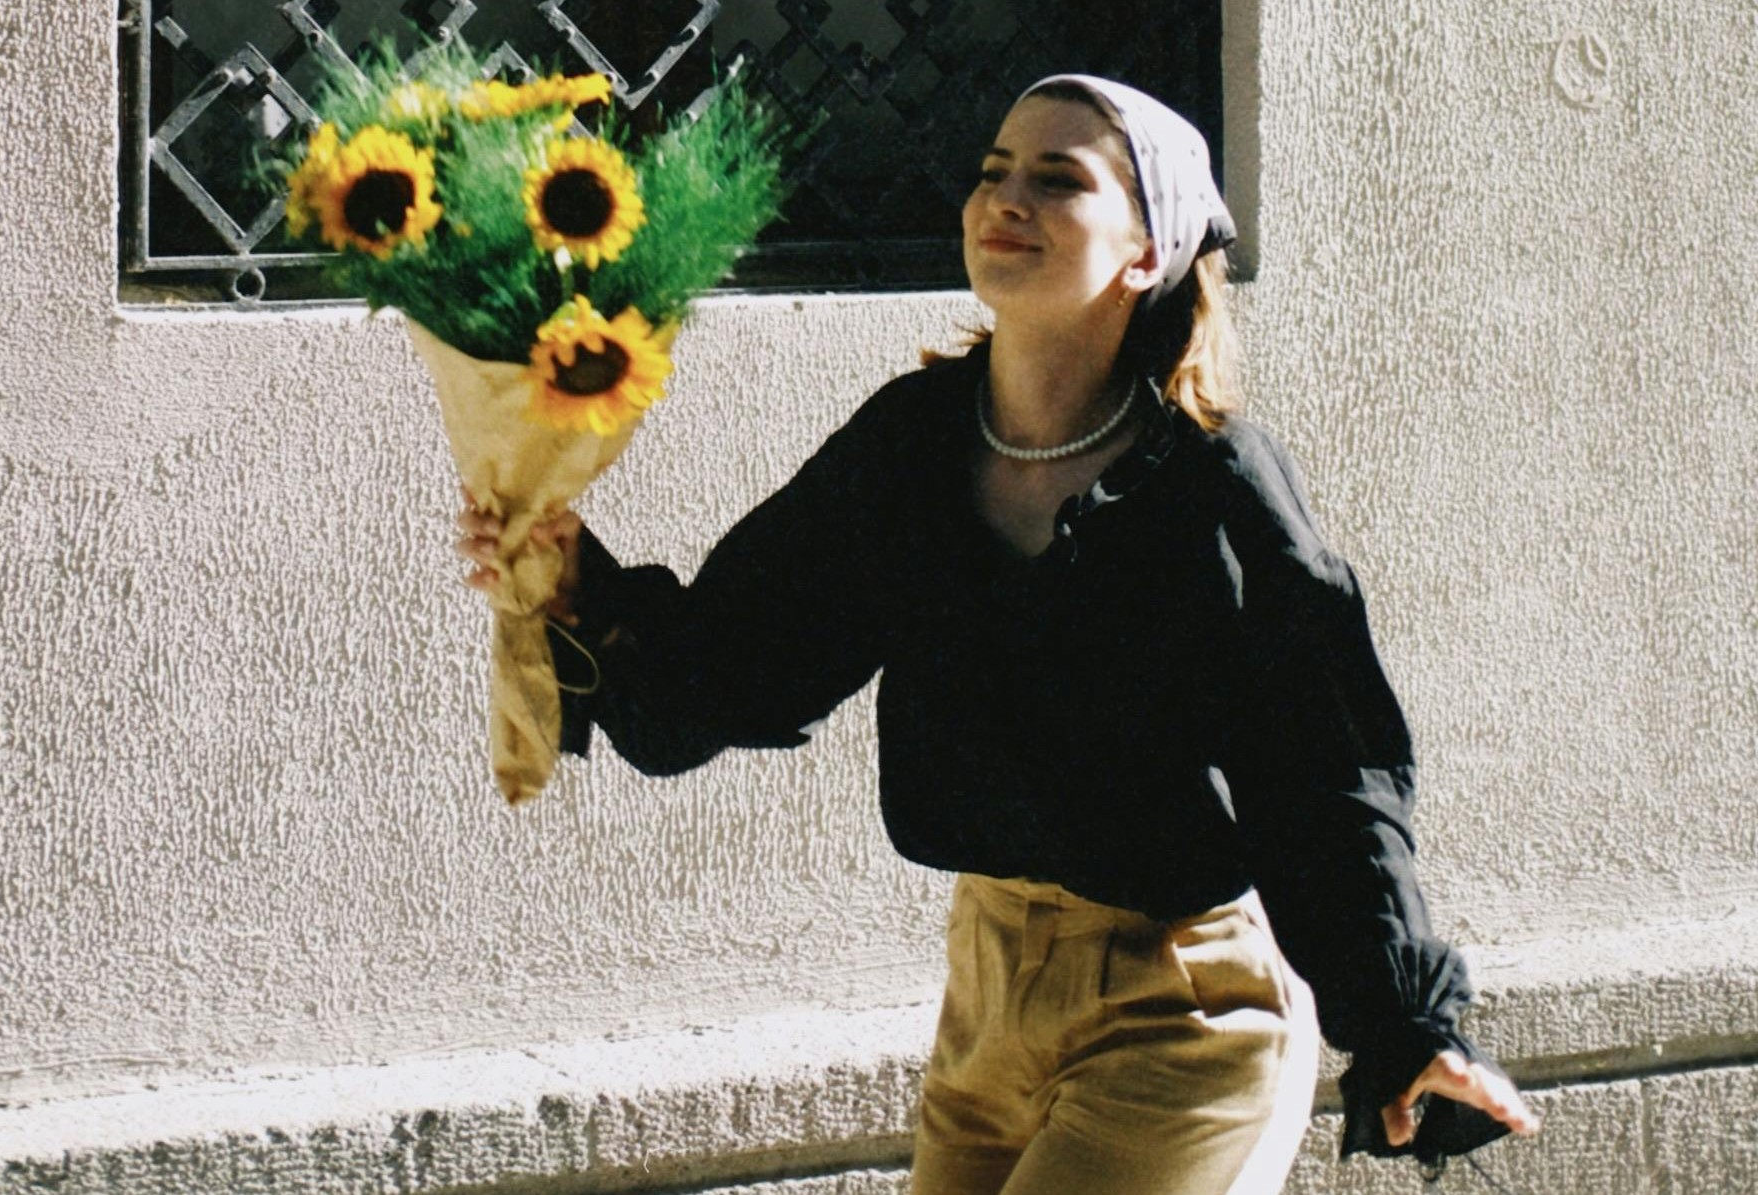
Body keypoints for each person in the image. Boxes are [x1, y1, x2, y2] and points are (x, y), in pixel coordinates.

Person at [456, 73, 1539, 1194]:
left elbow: (1322, 765)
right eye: (992, 173)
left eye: (1057, 181)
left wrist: (1408, 1020)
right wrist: (581, 590)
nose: (1004, 199)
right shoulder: (911, 447)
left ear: (1142, 254)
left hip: (1179, 1020)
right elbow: (749, 655)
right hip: (982, 1016)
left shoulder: (1211, 489)